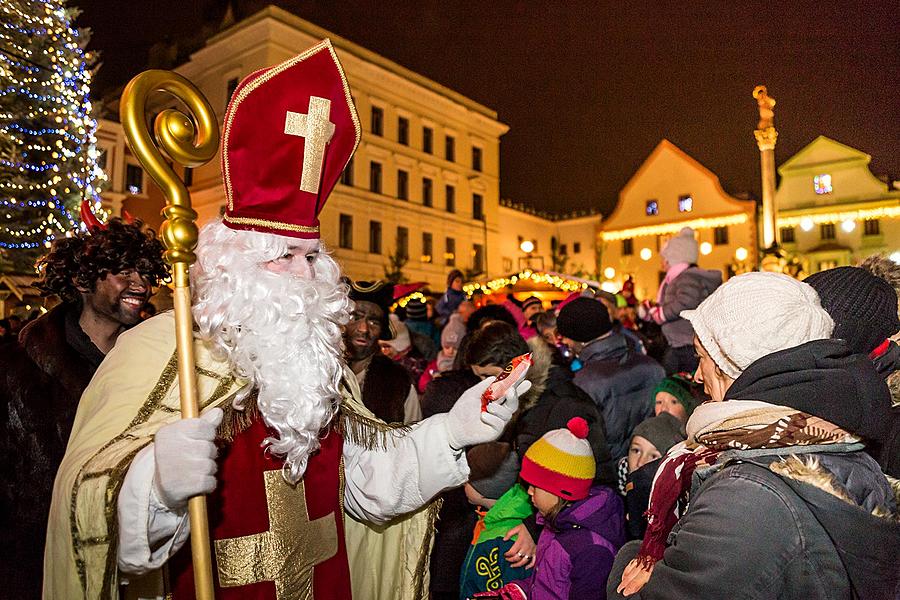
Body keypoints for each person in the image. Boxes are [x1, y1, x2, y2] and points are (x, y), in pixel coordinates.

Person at [44, 42, 531, 600]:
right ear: (232, 269)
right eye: (282, 257)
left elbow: (368, 487)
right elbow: (86, 515)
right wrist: (152, 488)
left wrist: (453, 431)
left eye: (311, 258)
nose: (304, 278)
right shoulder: (161, 353)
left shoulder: (314, 367)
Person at [609, 272, 900, 600]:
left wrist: (629, 559)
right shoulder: (822, 433)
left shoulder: (744, 497)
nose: (696, 374)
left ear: (730, 362)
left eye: (701, 357)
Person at [0, 216, 167, 600]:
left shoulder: (153, 362)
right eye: (124, 271)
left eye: (144, 271)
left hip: (129, 560)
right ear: (82, 280)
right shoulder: (15, 370)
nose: (140, 284)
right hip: (34, 565)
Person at [475, 418, 625, 599]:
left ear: (561, 491)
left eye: (535, 486)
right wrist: (515, 593)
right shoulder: (556, 521)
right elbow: (546, 584)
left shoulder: (592, 551)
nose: (529, 492)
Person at [557, 297, 665, 460]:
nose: (565, 342)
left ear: (581, 337)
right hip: (648, 463)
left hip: (609, 472)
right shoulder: (653, 366)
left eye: (566, 336)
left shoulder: (585, 382)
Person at [637, 227, 721, 374]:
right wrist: (652, 312)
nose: (662, 264)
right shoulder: (680, 278)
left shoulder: (686, 277)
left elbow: (686, 301)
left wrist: (661, 313)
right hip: (679, 341)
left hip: (685, 342)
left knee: (677, 377)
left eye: (665, 260)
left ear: (675, 260)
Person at [345, 280, 422, 424]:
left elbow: (413, 437)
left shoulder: (398, 381)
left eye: (374, 322)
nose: (364, 328)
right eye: (355, 318)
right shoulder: (319, 371)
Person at [459, 449, 531, 600]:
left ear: (486, 489)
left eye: (468, 479)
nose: (462, 483)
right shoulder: (489, 519)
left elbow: (514, 590)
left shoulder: (510, 538)